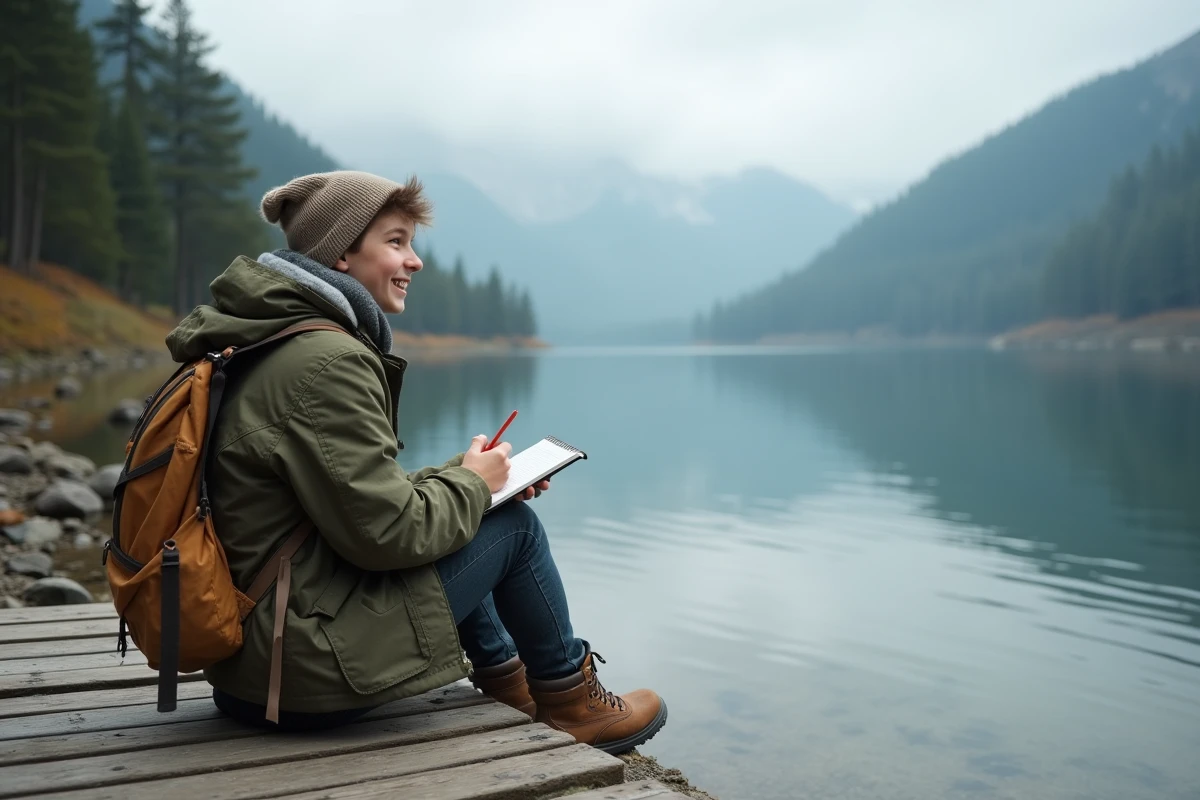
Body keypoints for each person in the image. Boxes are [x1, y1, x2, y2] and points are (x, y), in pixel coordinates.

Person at [163, 170, 666, 754]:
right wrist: (474, 491)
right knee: (515, 530)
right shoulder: (327, 360)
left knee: (475, 515)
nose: (416, 261)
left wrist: (469, 478)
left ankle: (511, 684)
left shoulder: (265, 341)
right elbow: (387, 535)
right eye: (396, 241)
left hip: (253, 665)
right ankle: (572, 703)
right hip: (303, 675)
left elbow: (347, 504)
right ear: (342, 255)